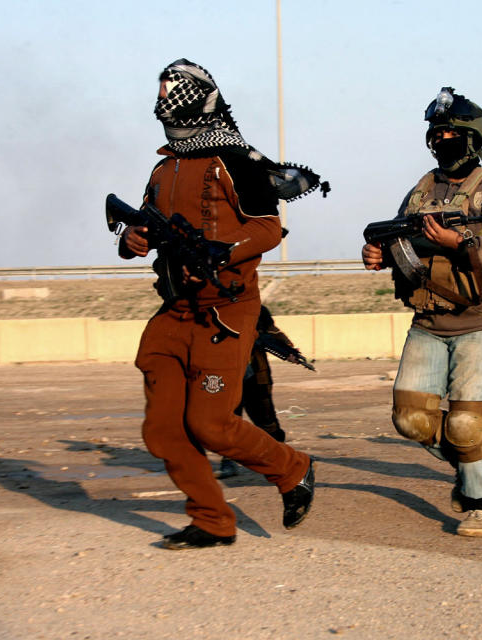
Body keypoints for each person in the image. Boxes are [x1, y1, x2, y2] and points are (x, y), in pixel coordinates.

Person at [118, 59, 325, 549]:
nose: (165, 98)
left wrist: (224, 251)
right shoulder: (163, 166)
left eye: (174, 90)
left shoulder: (234, 161)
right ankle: (212, 520)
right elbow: (141, 229)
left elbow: (268, 227)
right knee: (163, 432)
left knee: (210, 424)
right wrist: (133, 239)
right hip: (175, 312)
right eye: (161, 89)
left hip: (225, 313)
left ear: (199, 97)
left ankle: (293, 469)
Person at [361, 87, 482, 537]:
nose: (443, 140)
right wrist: (377, 255)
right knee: (411, 419)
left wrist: (462, 243)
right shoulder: (421, 191)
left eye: (453, 132)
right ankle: (470, 462)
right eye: (437, 133)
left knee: (467, 420)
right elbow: (399, 245)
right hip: (429, 320)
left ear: (474, 138)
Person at [218, 305, 301, 478]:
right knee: (227, 421)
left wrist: (288, 350)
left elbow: (272, 333)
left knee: (267, 421)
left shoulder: (257, 310)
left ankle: (282, 458)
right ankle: (228, 461)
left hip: (256, 375)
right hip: (227, 375)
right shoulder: (215, 310)